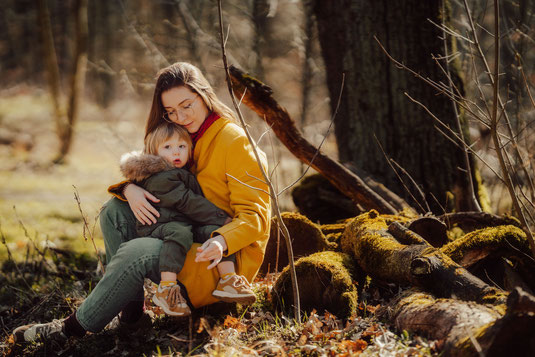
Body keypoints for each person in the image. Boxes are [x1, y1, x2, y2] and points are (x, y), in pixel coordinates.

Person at [13, 61, 271, 343]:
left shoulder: (234, 140)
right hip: (182, 231)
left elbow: (256, 216)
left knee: (138, 251)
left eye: (187, 105)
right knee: (114, 212)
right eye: (171, 111)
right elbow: (163, 181)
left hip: (218, 258)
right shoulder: (182, 136)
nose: (181, 117)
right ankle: (132, 314)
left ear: (205, 95)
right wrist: (130, 190)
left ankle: (71, 329)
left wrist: (222, 240)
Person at [120, 121, 256, 317]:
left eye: (181, 147)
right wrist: (220, 217)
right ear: (154, 152)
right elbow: (186, 201)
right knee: (180, 232)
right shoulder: (161, 176)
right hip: (157, 225)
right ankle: (167, 288)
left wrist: (220, 226)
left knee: (215, 233)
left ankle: (228, 279)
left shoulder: (181, 172)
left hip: (183, 223)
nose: (176, 152)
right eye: (168, 147)